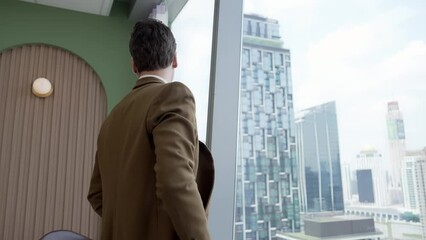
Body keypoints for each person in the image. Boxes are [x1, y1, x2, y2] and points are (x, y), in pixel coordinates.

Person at [88, 18, 213, 240]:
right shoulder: (173, 96)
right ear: (174, 60)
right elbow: (175, 182)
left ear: (134, 66)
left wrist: (131, 220)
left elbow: (97, 194)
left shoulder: (112, 118)